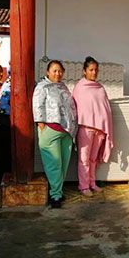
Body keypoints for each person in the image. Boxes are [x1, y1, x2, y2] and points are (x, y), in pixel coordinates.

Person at [33, 60, 77, 208]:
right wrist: (41, 124)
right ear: (47, 72)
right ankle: (55, 196)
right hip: (50, 130)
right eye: (54, 71)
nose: (58, 73)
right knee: (54, 164)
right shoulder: (42, 87)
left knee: (63, 163)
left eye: (60, 71)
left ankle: (58, 190)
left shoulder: (63, 86)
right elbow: (37, 105)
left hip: (66, 131)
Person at [72, 57, 114, 197]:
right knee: (83, 159)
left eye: (96, 70)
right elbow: (76, 108)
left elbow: (105, 108)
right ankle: (83, 186)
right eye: (91, 70)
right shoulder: (80, 87)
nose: (94, 72)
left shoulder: (100, 88)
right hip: (85, 127)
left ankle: (92, 182)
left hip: (99, 129)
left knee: (93, 159)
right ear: (84, 71)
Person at [0, 71, 11, 185]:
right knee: (5, 150)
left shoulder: (7, 82)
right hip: (5, 119)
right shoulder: (9, 83)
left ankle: (1, 176)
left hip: (5, 118)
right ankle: (2, 177)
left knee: (4, 150)